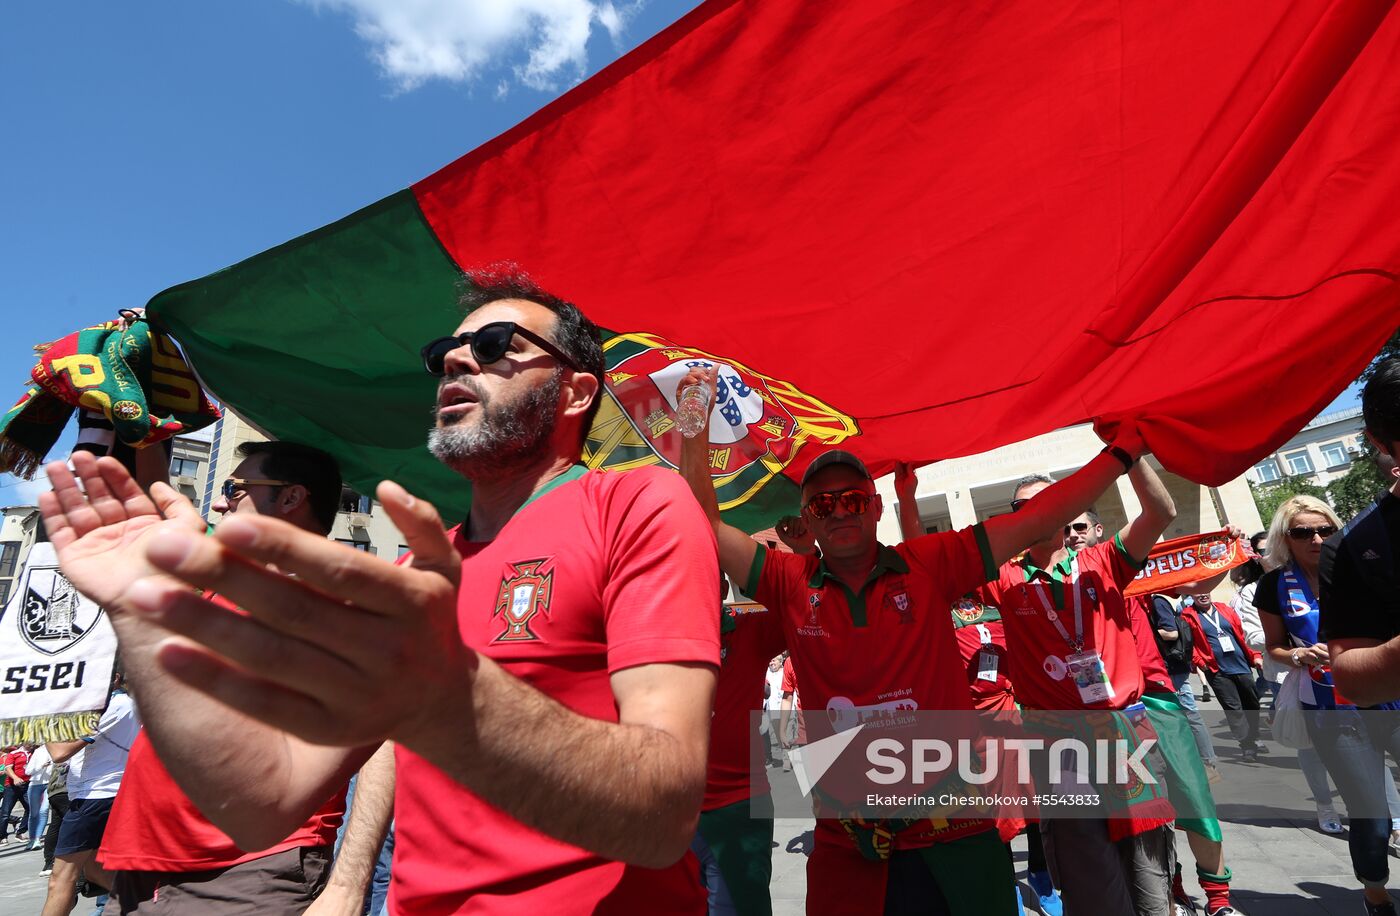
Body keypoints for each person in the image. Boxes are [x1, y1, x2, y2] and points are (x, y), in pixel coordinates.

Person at [39, 263, 722, 914]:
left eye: (494, 345)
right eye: (444, 352)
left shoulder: (638, 503)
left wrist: (447, 694)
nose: (456, 360)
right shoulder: (415, 578)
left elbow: (664, 819)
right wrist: (145, 615)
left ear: (575, 391)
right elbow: (258, 803)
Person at [679, 361, 1149, 916]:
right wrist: (692, 418)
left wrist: (1121, 456)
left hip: (954, 826)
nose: (840, 512)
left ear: (875, 508)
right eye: (824, 505)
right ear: (808, 518)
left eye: (853, 499)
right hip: (850, 837)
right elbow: (702, 523)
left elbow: (1036, 519)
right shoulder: (788, 581)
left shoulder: (927, 564)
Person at [94, 441, 353, 915]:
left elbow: (386, 741)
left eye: (236, 488)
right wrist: (140, 428)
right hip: (144, 868)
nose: (219, 500)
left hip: (246, 873)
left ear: (292, 498)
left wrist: (350, 885)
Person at [979, 464, 1178, 916]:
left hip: (1125, 736)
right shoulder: (1005, 578)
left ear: (1068, 508)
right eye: (1023, 506)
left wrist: (1132, 455)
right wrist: (907, 496)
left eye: (1050, 499)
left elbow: (1161, 511)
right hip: (1057, 745)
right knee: (1088, 877)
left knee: (1149, 873)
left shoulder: (1103, 560)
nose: (1038, 511)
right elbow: (934, 574)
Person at [1261, 491, 1400, 916]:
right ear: (1286, 537)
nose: (1316, 538)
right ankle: (1375, 894)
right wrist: (1299, 656)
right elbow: (1273, 648)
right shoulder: (1273, 585)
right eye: (1303, 531)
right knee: (1371, 813)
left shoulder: (1361, 562)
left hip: (1387, 696)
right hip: (1331, 709)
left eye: (1325, 529)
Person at [691, 577, 785, 916]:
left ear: (720, 586)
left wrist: (803, 552)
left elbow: (802, 602)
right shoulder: (649, 632)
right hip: (668, 810)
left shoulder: (748, 628)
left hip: (736, 808)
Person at [41, 671, 140, 916]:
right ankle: (152, 905)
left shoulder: (114, 705)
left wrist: (39, 719)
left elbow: (60, 752)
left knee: (61, 878)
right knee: (96, 871)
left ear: (115, 678)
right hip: (98, 796)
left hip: (95, 797)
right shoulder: (111, 705)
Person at [1181, 592, 1266, 761]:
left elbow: (1241, 634)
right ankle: (1247, 745)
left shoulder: (1224, 609)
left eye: (1206, 592)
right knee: (1233, 708)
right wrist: (1200, 662)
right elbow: (1188, 644)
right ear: (1192, 596)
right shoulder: (1188, 615)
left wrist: (1255, 654)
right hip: (1216, 670)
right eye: (1199, 593)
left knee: (1252, 703)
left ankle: (1254, 735)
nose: (1203, 595)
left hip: (1241, 665)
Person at [1146, 593, 1219, 779]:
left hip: (1173, 667)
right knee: (1181, 714)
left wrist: (1147, 632)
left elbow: (1171, 633)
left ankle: (1207, 762)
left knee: (1189, 713)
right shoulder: (1156, 601)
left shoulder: (1158, 601)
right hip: (1170, 667)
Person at [1, 742, 31, 845]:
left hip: (26, 784)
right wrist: (15, 778)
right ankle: (2, 836)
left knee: (30, 808)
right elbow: (7, 768)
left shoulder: (34, 753)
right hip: (11, 786)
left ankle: (20, 832)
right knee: (5, 812)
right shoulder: (14, 753)